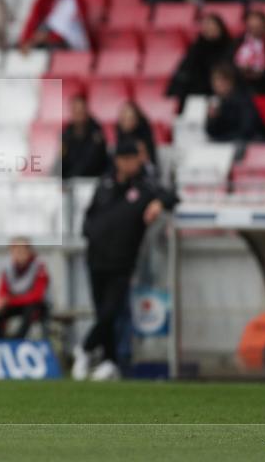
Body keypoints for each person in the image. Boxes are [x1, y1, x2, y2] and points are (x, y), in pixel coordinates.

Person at [73, 141, 178, 381]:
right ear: (119, 160)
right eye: (127, 158)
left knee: (111, 311)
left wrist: (159, 203)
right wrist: (91, 234)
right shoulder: (105, 183)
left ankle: (85, 347)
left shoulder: (146, 187)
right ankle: (110, 361)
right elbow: (89, 217)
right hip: (96, 258)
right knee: (102, 312)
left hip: (122, 262)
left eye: (134, 158)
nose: (132, 163)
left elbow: (172, 195)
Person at [166, 13, 234, 105]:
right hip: (197, 94)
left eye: (213, 27)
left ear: (220, 28)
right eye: (207, 28)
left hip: (223, 93)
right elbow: (184, 70)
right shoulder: (196, 48)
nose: (210, 30)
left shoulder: (230, 47)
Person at [0, 237, 49, 340]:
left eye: (22, 250)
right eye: (15, 250)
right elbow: (2, 290)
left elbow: (37, 295)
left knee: (31, 309)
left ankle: (18, 341)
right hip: (15, 303)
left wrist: (10, 300)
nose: (19, 253)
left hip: (36, 305)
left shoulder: (39, 266)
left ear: (29, 251)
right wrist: (0, 302)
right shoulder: (6, 267)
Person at [206, 64, 264, 142]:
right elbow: (211, 132)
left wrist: (221, 139)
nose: (218, 84)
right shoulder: (217, 102)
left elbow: (247, 130)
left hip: (248, 144)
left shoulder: (243, 100)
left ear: (231, 82)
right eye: (215, 80)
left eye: (222, 80)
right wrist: (212, 119)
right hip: (225, 144)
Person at [61, 95, 109, 179]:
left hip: (93, 179)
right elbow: (62, 159)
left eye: (80, 110)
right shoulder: (67, 132)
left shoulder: (96, 131)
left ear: (86, 111)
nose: (78, 114)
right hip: (71, 179)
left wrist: (72, 176)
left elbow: (93, 161)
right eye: (75, 110)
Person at [115, 102, 156, 166]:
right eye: (123, 119)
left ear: (136, 120)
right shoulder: (120, 136)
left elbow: (147, 163)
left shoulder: (141, 141)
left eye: (129, 118)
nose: (126, 122)